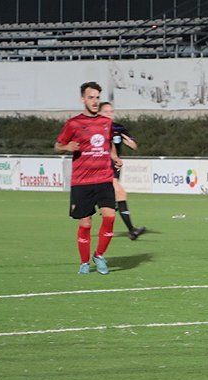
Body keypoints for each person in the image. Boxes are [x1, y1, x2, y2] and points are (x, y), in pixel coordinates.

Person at [55, 82, 121, 275]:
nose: (94, 101)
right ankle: (84, 262)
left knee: (110, 216)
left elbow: (109, 144)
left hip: (104, 178)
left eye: (97, 98)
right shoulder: (73, 123)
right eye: (90, 97)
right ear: (83, 99)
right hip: (82, 181)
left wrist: (114, 157)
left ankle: (99, 255)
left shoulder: (106, 123)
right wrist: (68, 148)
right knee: (86, 223)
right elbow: (58, 145)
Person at [98, 101, 146, 240]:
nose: (109, 114)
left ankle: (107, 207)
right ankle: (131, 230)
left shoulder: (118, 128)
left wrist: (128, 141)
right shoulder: (96, 127)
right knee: (120, 193)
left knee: (114, 196)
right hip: (101, 164)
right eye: (106, 111)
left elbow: (134, 145)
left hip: (114, 165)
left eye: (111, 111)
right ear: (100, 113)